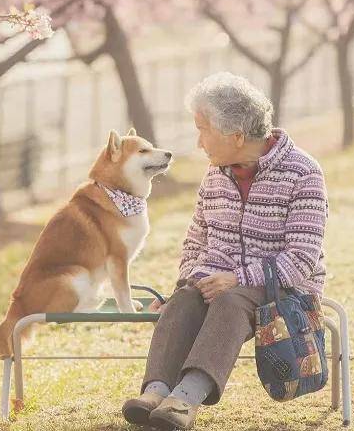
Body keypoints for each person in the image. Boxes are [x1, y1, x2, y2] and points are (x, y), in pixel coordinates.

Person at [121, 71, 329, 430]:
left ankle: (184, 401)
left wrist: (236, 278)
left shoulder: (303, 173)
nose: (199, 142)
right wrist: (189, 281)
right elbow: (195, 242)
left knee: (232, 300)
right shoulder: (214, 175)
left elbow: (302, 260)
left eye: (203, 130)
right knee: (185, 298)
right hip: (219, 286)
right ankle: (156, 392)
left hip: (282, 292)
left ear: (235, 136)